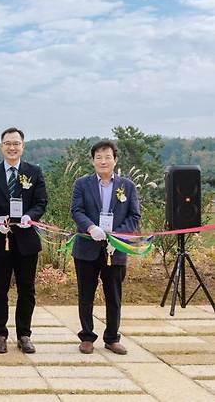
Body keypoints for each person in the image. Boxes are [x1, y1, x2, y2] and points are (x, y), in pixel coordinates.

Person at [0, 127, 47, 354]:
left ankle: (24, 335)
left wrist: (31, 216)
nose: (12, 147)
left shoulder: (34, 172)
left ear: (22, 146)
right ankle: (0, 334)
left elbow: (41, 202)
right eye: (8, 143)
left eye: (16, 143)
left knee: (27, 289)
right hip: (0, 240)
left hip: (27, 241)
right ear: (1, 146)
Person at [70, 140, 140, 355]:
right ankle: (87, 337)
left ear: (115, 160)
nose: (103, 161)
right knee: (86, 294)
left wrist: (116, 236)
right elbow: (76, 211)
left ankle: (112, 337)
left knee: (114, 295)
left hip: (115, 249)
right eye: (98, 157)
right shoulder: (82, 184)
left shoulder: (127, 186)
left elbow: (134, 215)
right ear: (92, 161)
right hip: (87, 247)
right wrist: (91, 228)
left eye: (107, 157)